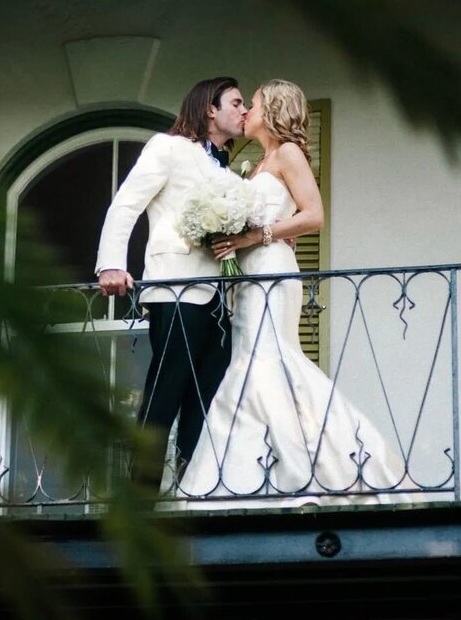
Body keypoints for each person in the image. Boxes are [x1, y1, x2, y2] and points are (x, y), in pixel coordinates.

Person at [180, 79, 407, 506]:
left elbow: (314, 215)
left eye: (256, 103)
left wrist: (252, 237)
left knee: (270, 363)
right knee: (250, 367)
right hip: (250, 278)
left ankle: (321, 469)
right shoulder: (257, 162)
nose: (246, 110)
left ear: (275, 109)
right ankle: (253, 480)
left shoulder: (287, 153)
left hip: (271, 274)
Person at [95, 76, 248, 495]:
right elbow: (126, 204)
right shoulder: (167, 148)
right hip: (175, 289)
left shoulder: (227, 167)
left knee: (204, 396)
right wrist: (111, 264)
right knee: (166, 390)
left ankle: (189, 486)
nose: (244, 110)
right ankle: (141, 493)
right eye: (236, 103)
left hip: (220, 299)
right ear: (210, 109)